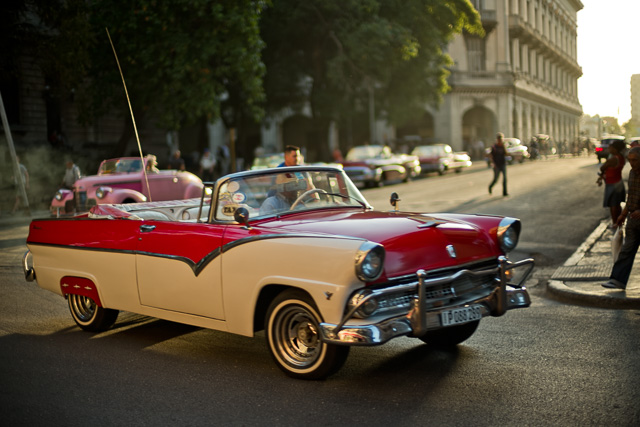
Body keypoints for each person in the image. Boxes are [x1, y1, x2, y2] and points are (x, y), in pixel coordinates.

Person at [602, 146, 640, 289]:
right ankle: (617, 280)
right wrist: (622, 215)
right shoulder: (632, 173)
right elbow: (631, 198)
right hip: (633, 220)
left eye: (635, 160)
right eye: (630, 160)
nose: (632, 163)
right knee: (626, 250)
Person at [596, 139, 626, 228]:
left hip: (612, 184)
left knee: (613, 204)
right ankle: (619, 222)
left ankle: (615, 223)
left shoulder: (613, 159)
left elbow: (602, 168)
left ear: (615, 149)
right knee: (617, 204)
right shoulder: (621, 157)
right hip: (619, 182)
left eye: (611, 147)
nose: (609, 148)